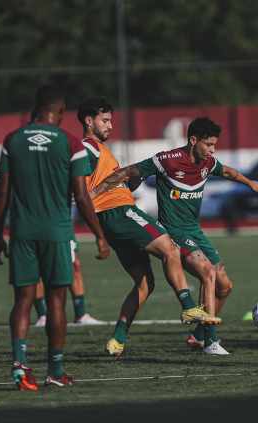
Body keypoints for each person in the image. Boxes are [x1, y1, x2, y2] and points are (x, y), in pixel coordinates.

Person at [97, 117, 258, 355]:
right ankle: (211, 341)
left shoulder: (207, 163)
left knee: (225, 286)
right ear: (193, 140)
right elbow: (129, 171)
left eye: (215, 145)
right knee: (207, 272)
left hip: (195, 231)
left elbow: (228, 171)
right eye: (208, 144)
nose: (212, 150)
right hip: (173, 231)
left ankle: (197, 336)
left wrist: (250, 183)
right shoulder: (168, 160)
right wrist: (98, 191)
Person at [77, 97, 219, 357]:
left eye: (111, 120)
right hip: (118, 212)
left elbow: (113, 182)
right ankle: (188, 305)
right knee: (170, 248)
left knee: (144, 283)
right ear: (89, 121)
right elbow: (79, 182)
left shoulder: (101, 151)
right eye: (105, 120)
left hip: (111, 219)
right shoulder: (89, 147)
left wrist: (130, 183)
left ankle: (118, 339)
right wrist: (92, 195)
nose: (110, 126)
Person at [0, 85, 110, 390]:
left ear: (36, 107)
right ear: (59, 112)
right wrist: (99, 236)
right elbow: (82, 196)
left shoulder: (13, 140)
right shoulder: (71, 143)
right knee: (57, 301)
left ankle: (19, 366)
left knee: (23, 300)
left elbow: (2, 191)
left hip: (22, 232)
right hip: (57, 233)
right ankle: (55, 370)